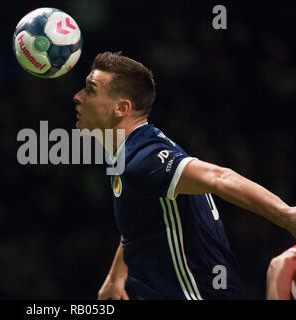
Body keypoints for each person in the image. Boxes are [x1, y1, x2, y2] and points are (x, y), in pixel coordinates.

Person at [72, 51, 296, 300]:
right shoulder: (132, 154)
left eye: (90, 90)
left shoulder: (144, 159)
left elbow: (218, 177)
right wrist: (116, 276)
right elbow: (140, 222)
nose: (78, 97)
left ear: (121, 108)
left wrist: (285, 214)